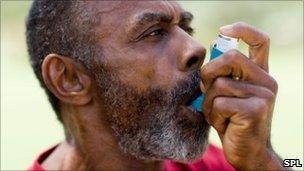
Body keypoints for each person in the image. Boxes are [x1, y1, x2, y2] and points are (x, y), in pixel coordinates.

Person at [26, 1, 284, 170]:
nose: (196, 48)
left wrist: (263, 158)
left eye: (186, 28)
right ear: (69, 79)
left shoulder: (224, 162)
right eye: (153, 32)